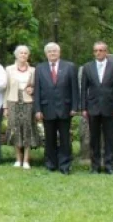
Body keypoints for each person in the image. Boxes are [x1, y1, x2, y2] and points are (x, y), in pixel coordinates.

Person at [33, 42, 79, 174]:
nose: (52, 53)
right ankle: (50, 163)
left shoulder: (69, 66)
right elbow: (37, 90)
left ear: (59, 53)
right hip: (47, 108)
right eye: (50, 51)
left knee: (65, 138)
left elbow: (74, 89)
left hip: (65, 108)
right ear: (46, 53)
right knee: (49, 138)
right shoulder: (40, 68)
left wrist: (75, 106)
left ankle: (65, 165)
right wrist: (38, 109)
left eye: (55, 51)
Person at [80, 41, 113, 175]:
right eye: (96, 50)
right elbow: (83, 89)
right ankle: (95, 166)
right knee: (94, 139)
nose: (98, 53)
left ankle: (109, 166)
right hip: (92, 108)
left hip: (109, 108)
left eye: (101, 50)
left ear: (106, 52)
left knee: (109, 138)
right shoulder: (87, 67)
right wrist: (83, 108)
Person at [4, 45, 39, 169]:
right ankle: (18, 158)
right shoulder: (8, 69)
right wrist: (5, 107)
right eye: (21, 53)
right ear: (16, 55)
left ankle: (26, 160)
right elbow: (6, 88)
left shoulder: (34, 70)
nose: (23, 55)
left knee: (28, 129)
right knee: (15, 129)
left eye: (25, 53)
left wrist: (32, 89)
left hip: (28, 102)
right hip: (13, 101)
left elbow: (37, 87)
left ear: (28, 55)